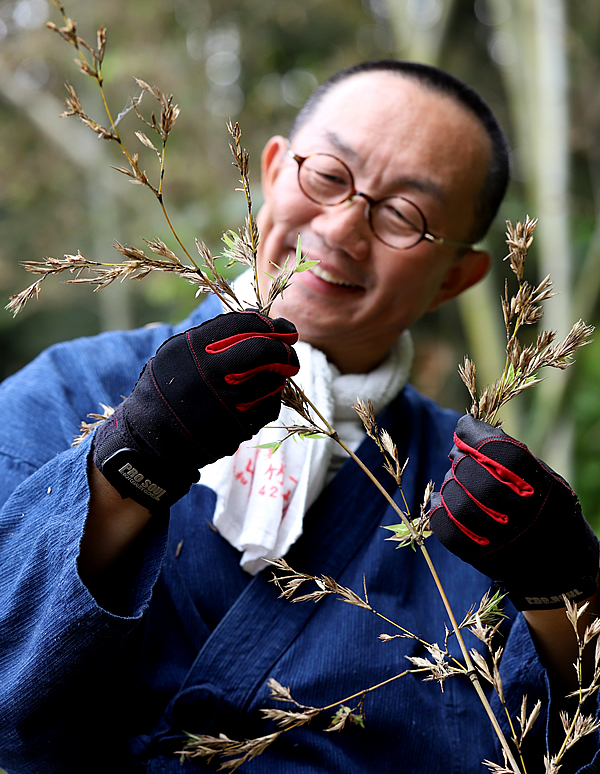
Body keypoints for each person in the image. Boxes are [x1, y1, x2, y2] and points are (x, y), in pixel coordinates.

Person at [0, 60, 598, 774]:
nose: (343, 227)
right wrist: (131, 461)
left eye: (406, 214)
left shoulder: (476, 500)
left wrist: (568, 593)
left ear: (456, 279)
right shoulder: (71, 390)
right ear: (277, 171)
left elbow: (565, 746)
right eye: (328, 175)